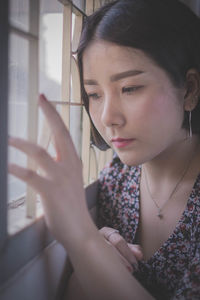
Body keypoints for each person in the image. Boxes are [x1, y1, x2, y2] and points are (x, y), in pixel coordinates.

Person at [9, 0, 200, 299]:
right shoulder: (116, 180)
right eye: (94, 94)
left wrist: (82, 238)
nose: (107, 117)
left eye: (130, 88)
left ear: (189, 89)